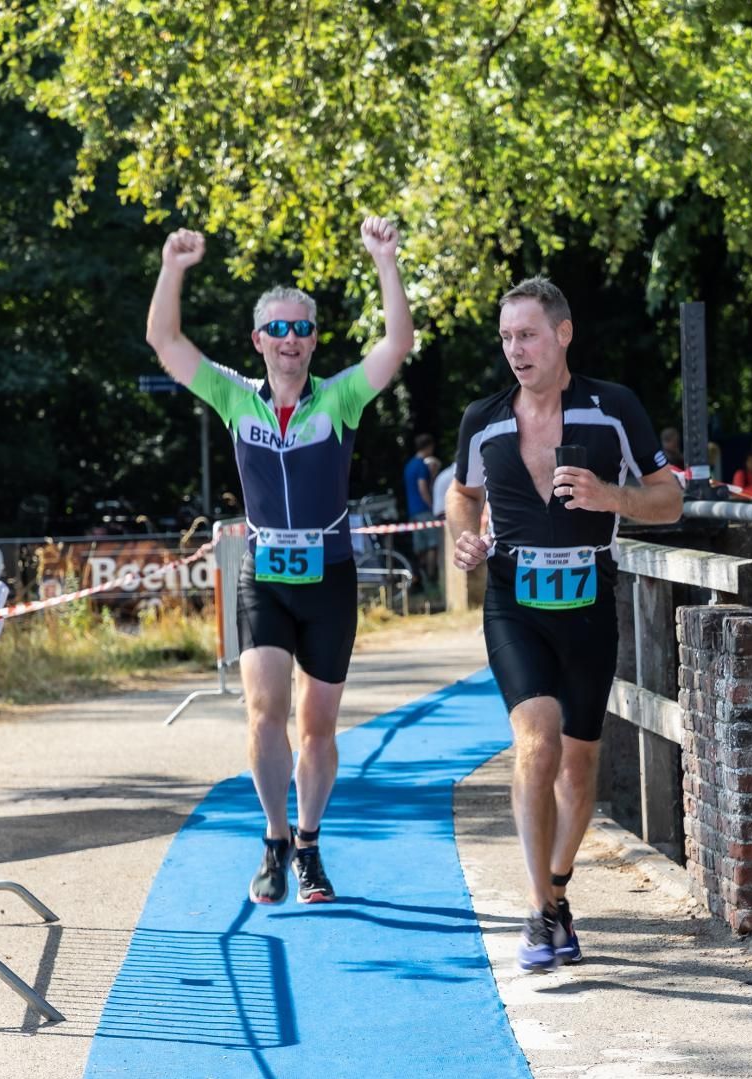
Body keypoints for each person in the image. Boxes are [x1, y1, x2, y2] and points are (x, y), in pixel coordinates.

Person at [146, 216, 414, 905]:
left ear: (314, 340)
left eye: (303, 329)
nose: (292, 340)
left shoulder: (341, 397)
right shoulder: (237, 397)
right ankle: (271, 838)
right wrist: (174, 266)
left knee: (317, 724)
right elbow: (165, 341)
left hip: (329, 576)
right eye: (280, 329)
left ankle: (309, 844)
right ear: (260, 340)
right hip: (262, 575)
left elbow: (397, 344)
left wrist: (385, 260)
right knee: (264, 710)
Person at [446, 277, 682, 973]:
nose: (516, 350)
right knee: (536, 741)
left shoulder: (614, 409)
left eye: (528, 335)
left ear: (563, 333)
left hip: (588, 601)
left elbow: (670, 500)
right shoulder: (483, 419)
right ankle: (536, 908)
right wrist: (464, 539)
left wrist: (611, 495)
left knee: (579, 765)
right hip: (513, 598)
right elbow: (463, 496)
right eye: (507, 338)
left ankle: (556, 892)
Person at [403, 433, 439, 588]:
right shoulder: (422, 465)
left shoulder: (409, 465)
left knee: (420, 548)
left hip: (413, 512)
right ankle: (431, 579)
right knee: (432, 546)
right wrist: (432, 506)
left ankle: (423, 580)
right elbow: (423, 487)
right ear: (429, 446)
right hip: (424, 510)